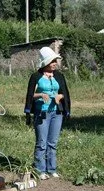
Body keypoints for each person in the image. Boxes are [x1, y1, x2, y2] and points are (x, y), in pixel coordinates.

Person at [24, 46, 71, 180]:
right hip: (42, 113)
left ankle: (52, 169)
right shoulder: (36, 76)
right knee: (42, 142)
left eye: (55, 61)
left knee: (53, 142)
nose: (55, 64)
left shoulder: (59, 76)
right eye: (52, 61)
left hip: (57, 112)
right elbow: (29, 95)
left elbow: (64, 93)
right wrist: (40, 95)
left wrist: (59, 97)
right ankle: (40, 170)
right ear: (45, 63)